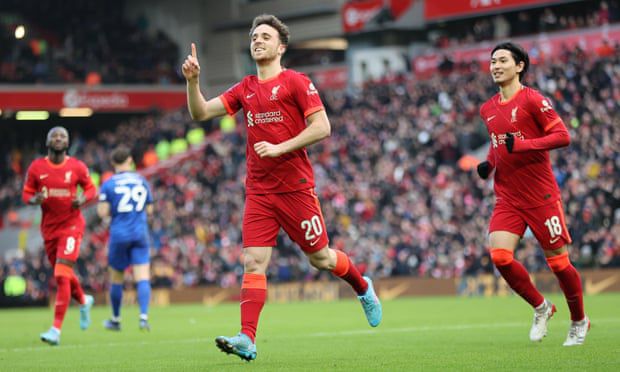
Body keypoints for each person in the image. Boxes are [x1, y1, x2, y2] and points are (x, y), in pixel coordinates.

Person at [182, 14, 382, 361]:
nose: (257, 40)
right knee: (253, 262)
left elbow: (322, 127)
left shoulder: (296, 82)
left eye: (265, 36)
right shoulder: (244, 88)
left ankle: (363, 287)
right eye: (254, 36)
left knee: (321, 258)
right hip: (259, 192)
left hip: (296, 188)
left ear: (281, 46)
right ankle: (247, 338)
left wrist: (279, 147)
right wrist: (193, 82)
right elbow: (200, 113)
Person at [477, 42, 588, 346]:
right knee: (500, 256)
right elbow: (499, 141)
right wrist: (489, 162)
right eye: (492, 62)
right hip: (508, 197)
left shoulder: (534, 100)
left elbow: (562, 135)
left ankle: (579, 320)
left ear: (519, 66)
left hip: (541, 196)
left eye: (502, 61)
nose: (495, 66)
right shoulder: (487, 108)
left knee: (559, 264)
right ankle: (541, 307)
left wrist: (523, 145)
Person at [22, 126, 96, 346]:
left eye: (62, 136)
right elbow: (26, 194)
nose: (58, 138)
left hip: (72, 226)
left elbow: (91, 189)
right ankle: (84, 300)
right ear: (47, 141)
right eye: (54, 136)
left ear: (67, 142)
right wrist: (36, 199)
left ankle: (56, 329)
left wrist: (82, 200)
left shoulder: (77, 167)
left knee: (62, 274)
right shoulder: (37, 168)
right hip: (50, 230)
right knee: (62, 273)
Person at [97, 145, 154, 331]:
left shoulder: (109, 184)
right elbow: (150, 210)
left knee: (117, 278)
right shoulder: (142, 181)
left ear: (113, 163)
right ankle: (143, 317)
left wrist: (113, 215)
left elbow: (102, 212)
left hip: (119, 235)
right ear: (130, 160)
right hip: (140, 233)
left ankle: (115, 319)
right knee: (142, 277)